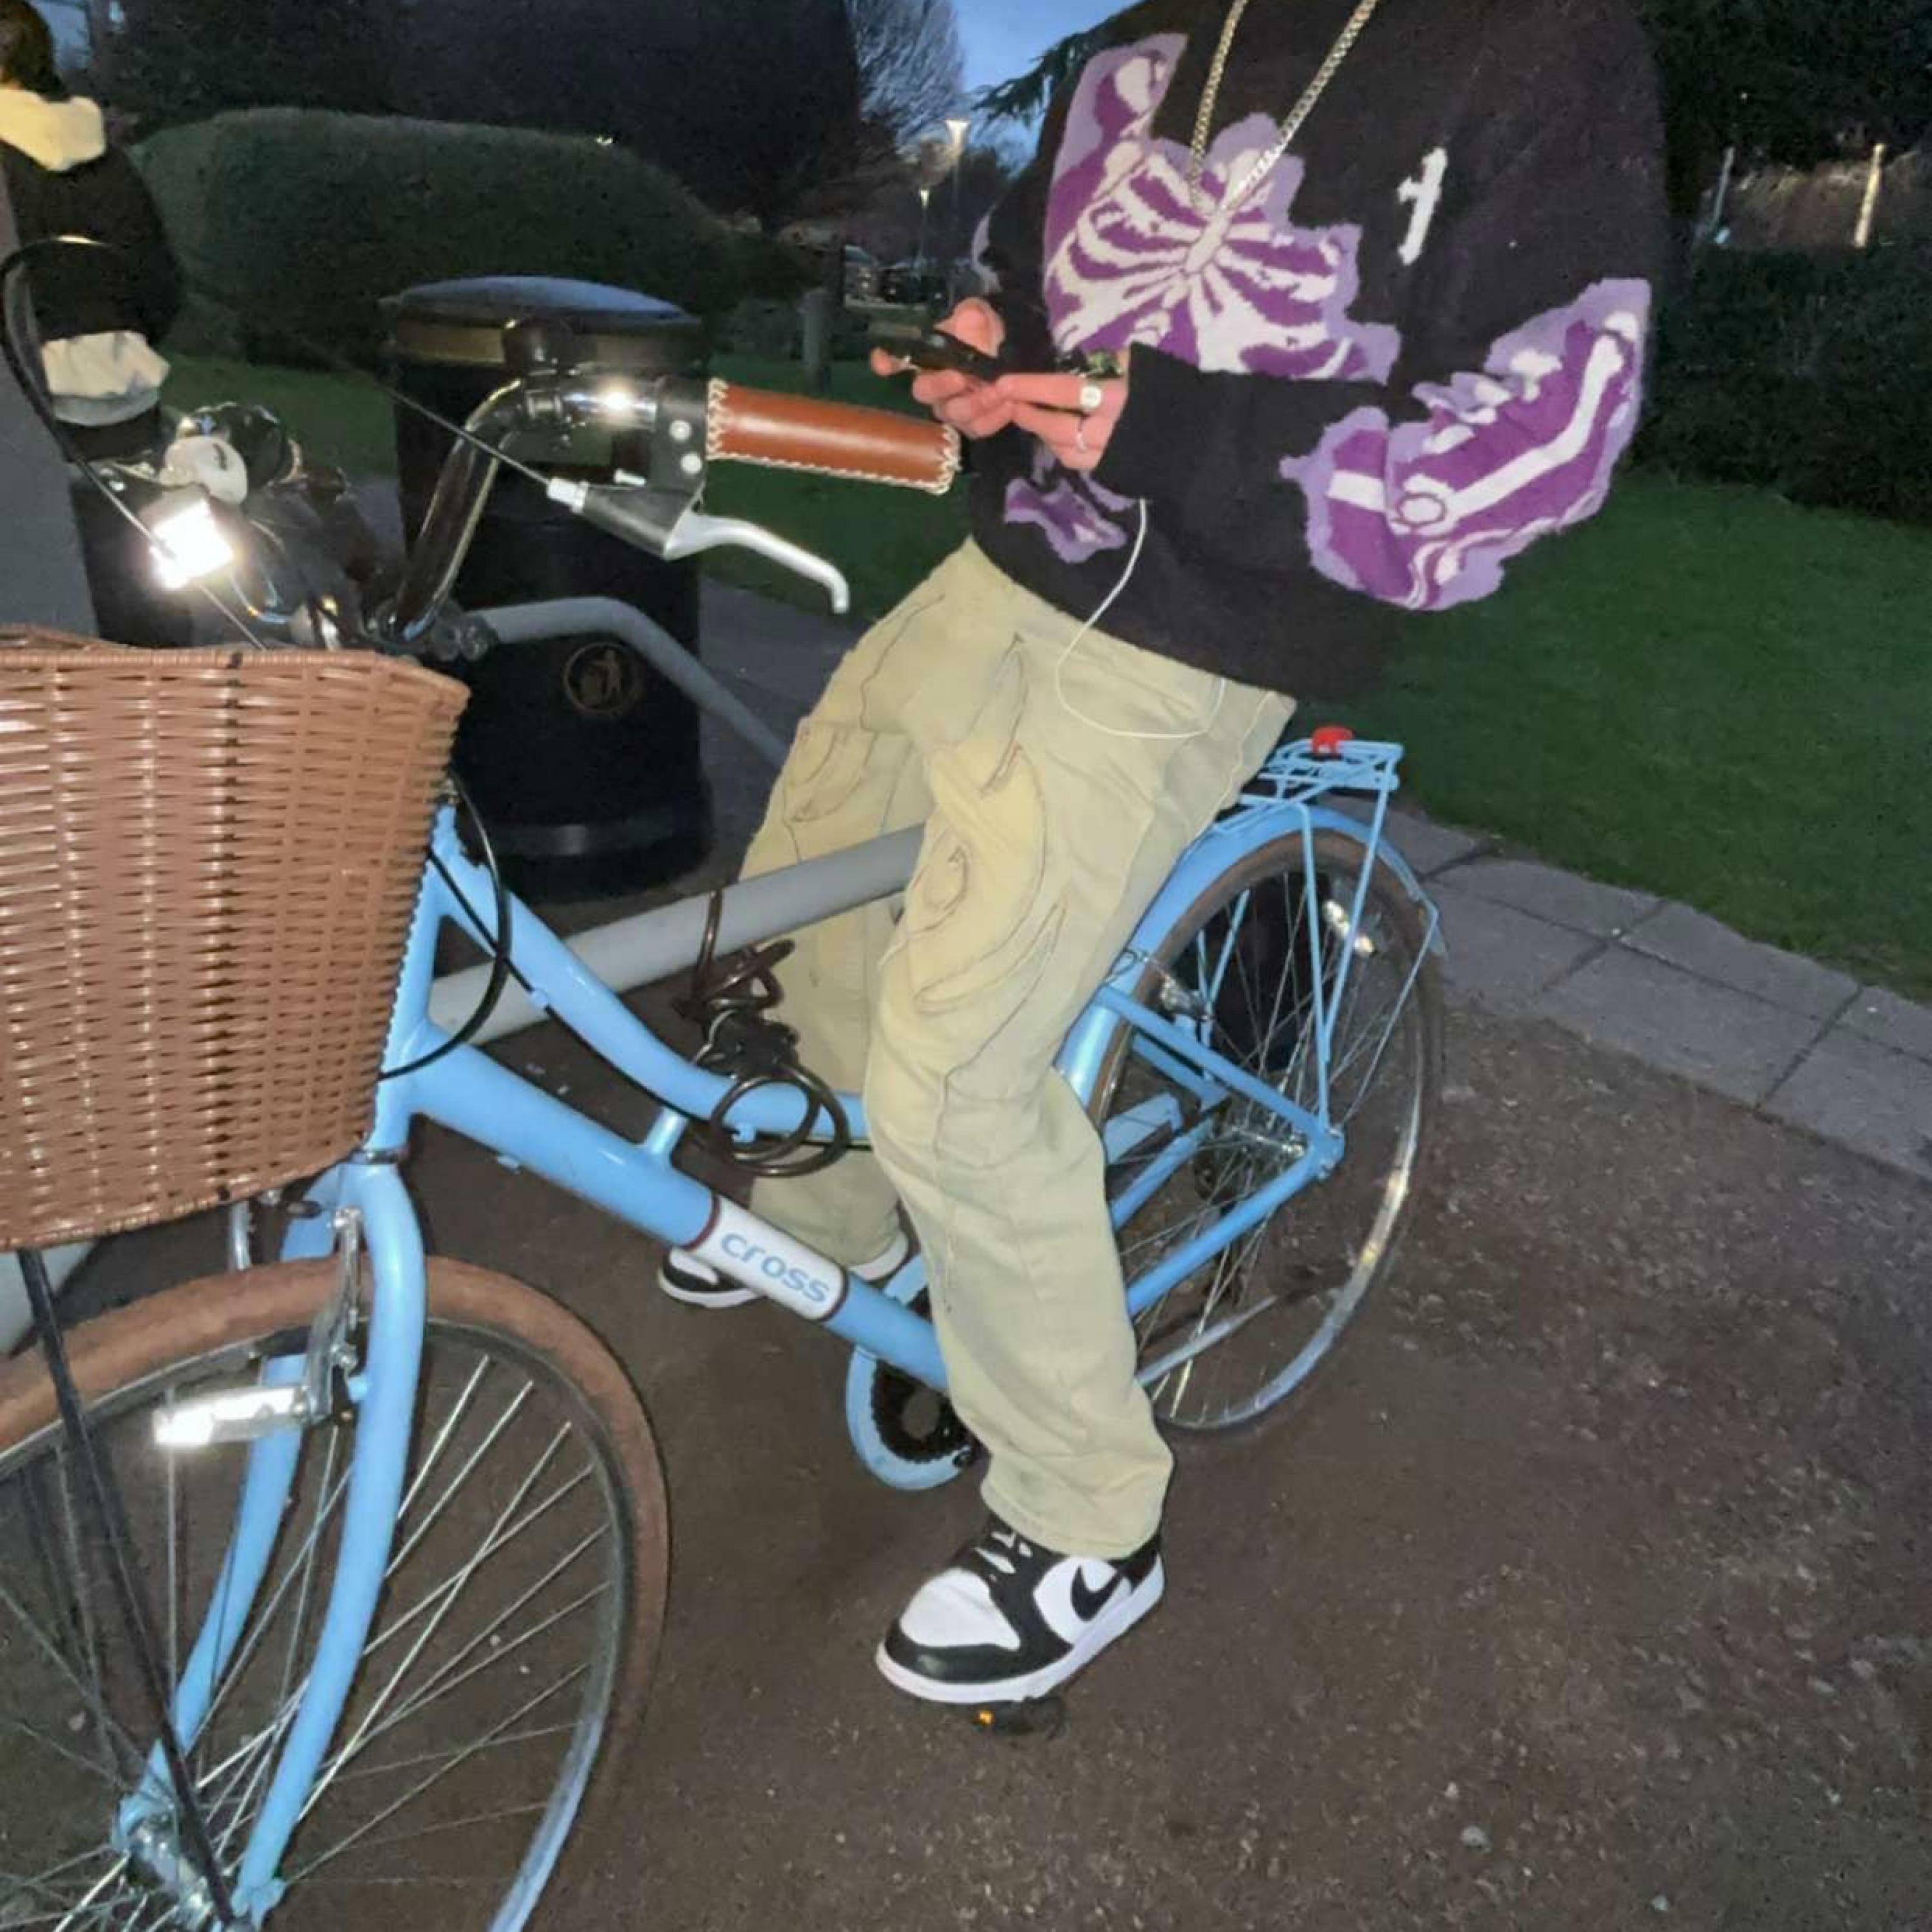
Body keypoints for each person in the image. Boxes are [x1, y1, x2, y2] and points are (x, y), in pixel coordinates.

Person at [661, 0, 1667, 1706]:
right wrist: (985, 340)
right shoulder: (1149, 34)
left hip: (1214, 624)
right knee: (797, 898)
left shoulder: (1539, 44)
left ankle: (1088, 1519)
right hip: (1012, 560)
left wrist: (1165, 431)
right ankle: (838, 1212)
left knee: (957, 1071)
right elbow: (1023, 273)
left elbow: (1535, 448)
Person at [0, 0, 184, 640]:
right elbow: (158, 282)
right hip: (123, 396)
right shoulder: (104, 158)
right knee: (136, 588)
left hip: (22, 406)